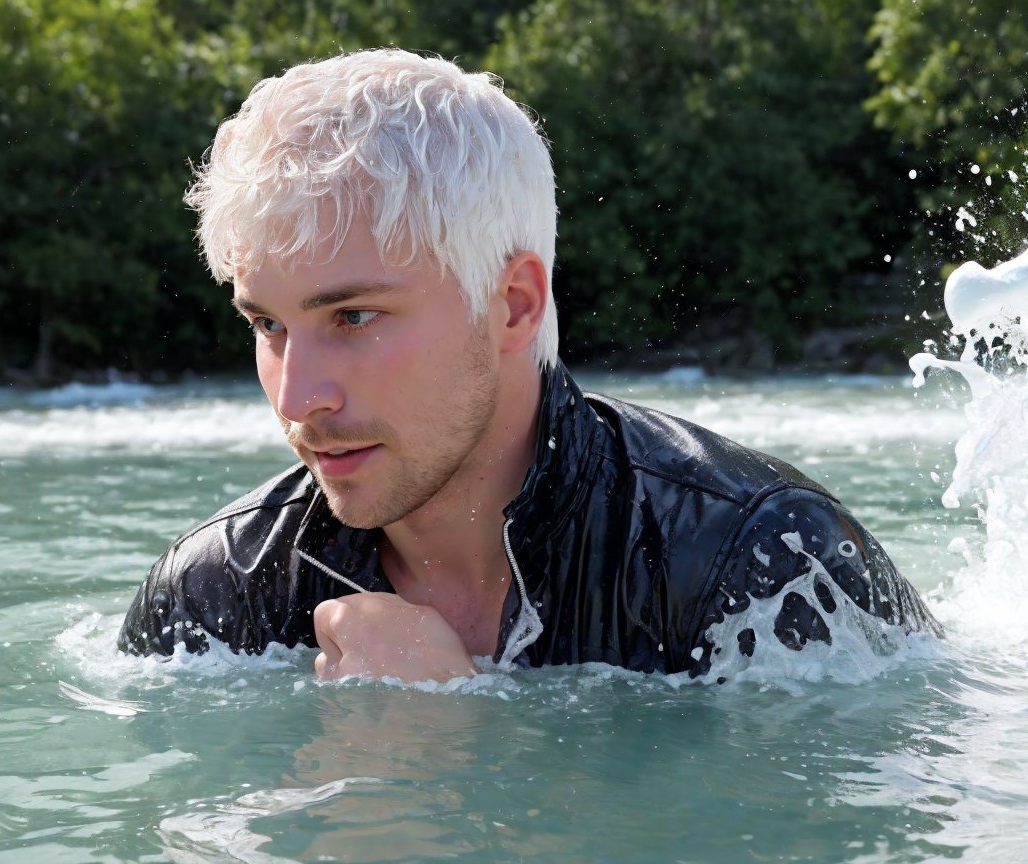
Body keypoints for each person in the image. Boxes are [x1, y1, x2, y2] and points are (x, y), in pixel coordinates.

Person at [117, 49, 941, 681]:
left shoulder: (762, 563)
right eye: (267, 325)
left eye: (353, 316)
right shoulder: (212, 597)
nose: (298, 398)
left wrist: (458, 748)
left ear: (512, 303)